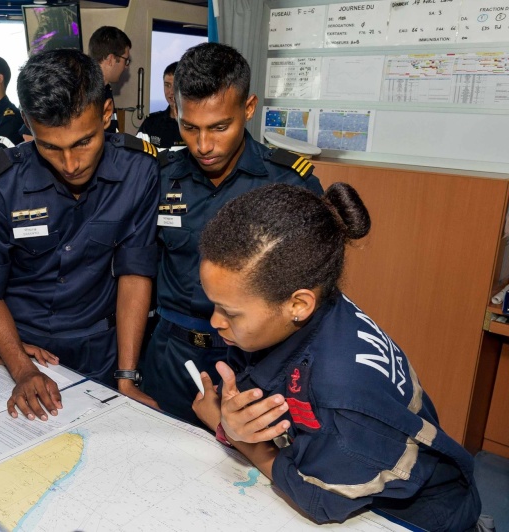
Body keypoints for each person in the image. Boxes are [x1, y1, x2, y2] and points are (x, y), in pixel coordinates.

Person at [192, 182, 482, 530]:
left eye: (230, 312)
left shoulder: (340, 394)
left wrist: (230, 432)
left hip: (411, 517)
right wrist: (237, 414)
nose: (215, 321)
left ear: (298, 304)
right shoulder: (309, 308)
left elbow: (320, 499)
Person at [0, 49, 160, 421]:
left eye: (83, 142)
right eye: (50, 147)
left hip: (101, 347)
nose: (71, 165)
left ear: (106, 114)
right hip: (20, 345)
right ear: (27, 124)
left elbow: (135, 271)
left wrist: (128, 376)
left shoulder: (140, 169)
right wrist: (21, 367)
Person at [140, 42, 324, 426]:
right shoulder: (160, 176)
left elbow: (315, 288)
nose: (204, 145)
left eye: (220, 127)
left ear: (249, 108)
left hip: (253, 361)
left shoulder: (289, 183)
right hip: (171, 353)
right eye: (190, 127)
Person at [88, 26, 131, 133]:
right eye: (125, 60)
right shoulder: (85, 93)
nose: (126, 66)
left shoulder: (106, 88)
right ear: (111, 59)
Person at [136, 61, 185, 150]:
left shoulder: (195, 125)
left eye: (175, 86)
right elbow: (136, 156)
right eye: (167, 85)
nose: (171, 92)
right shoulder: (151, 124)